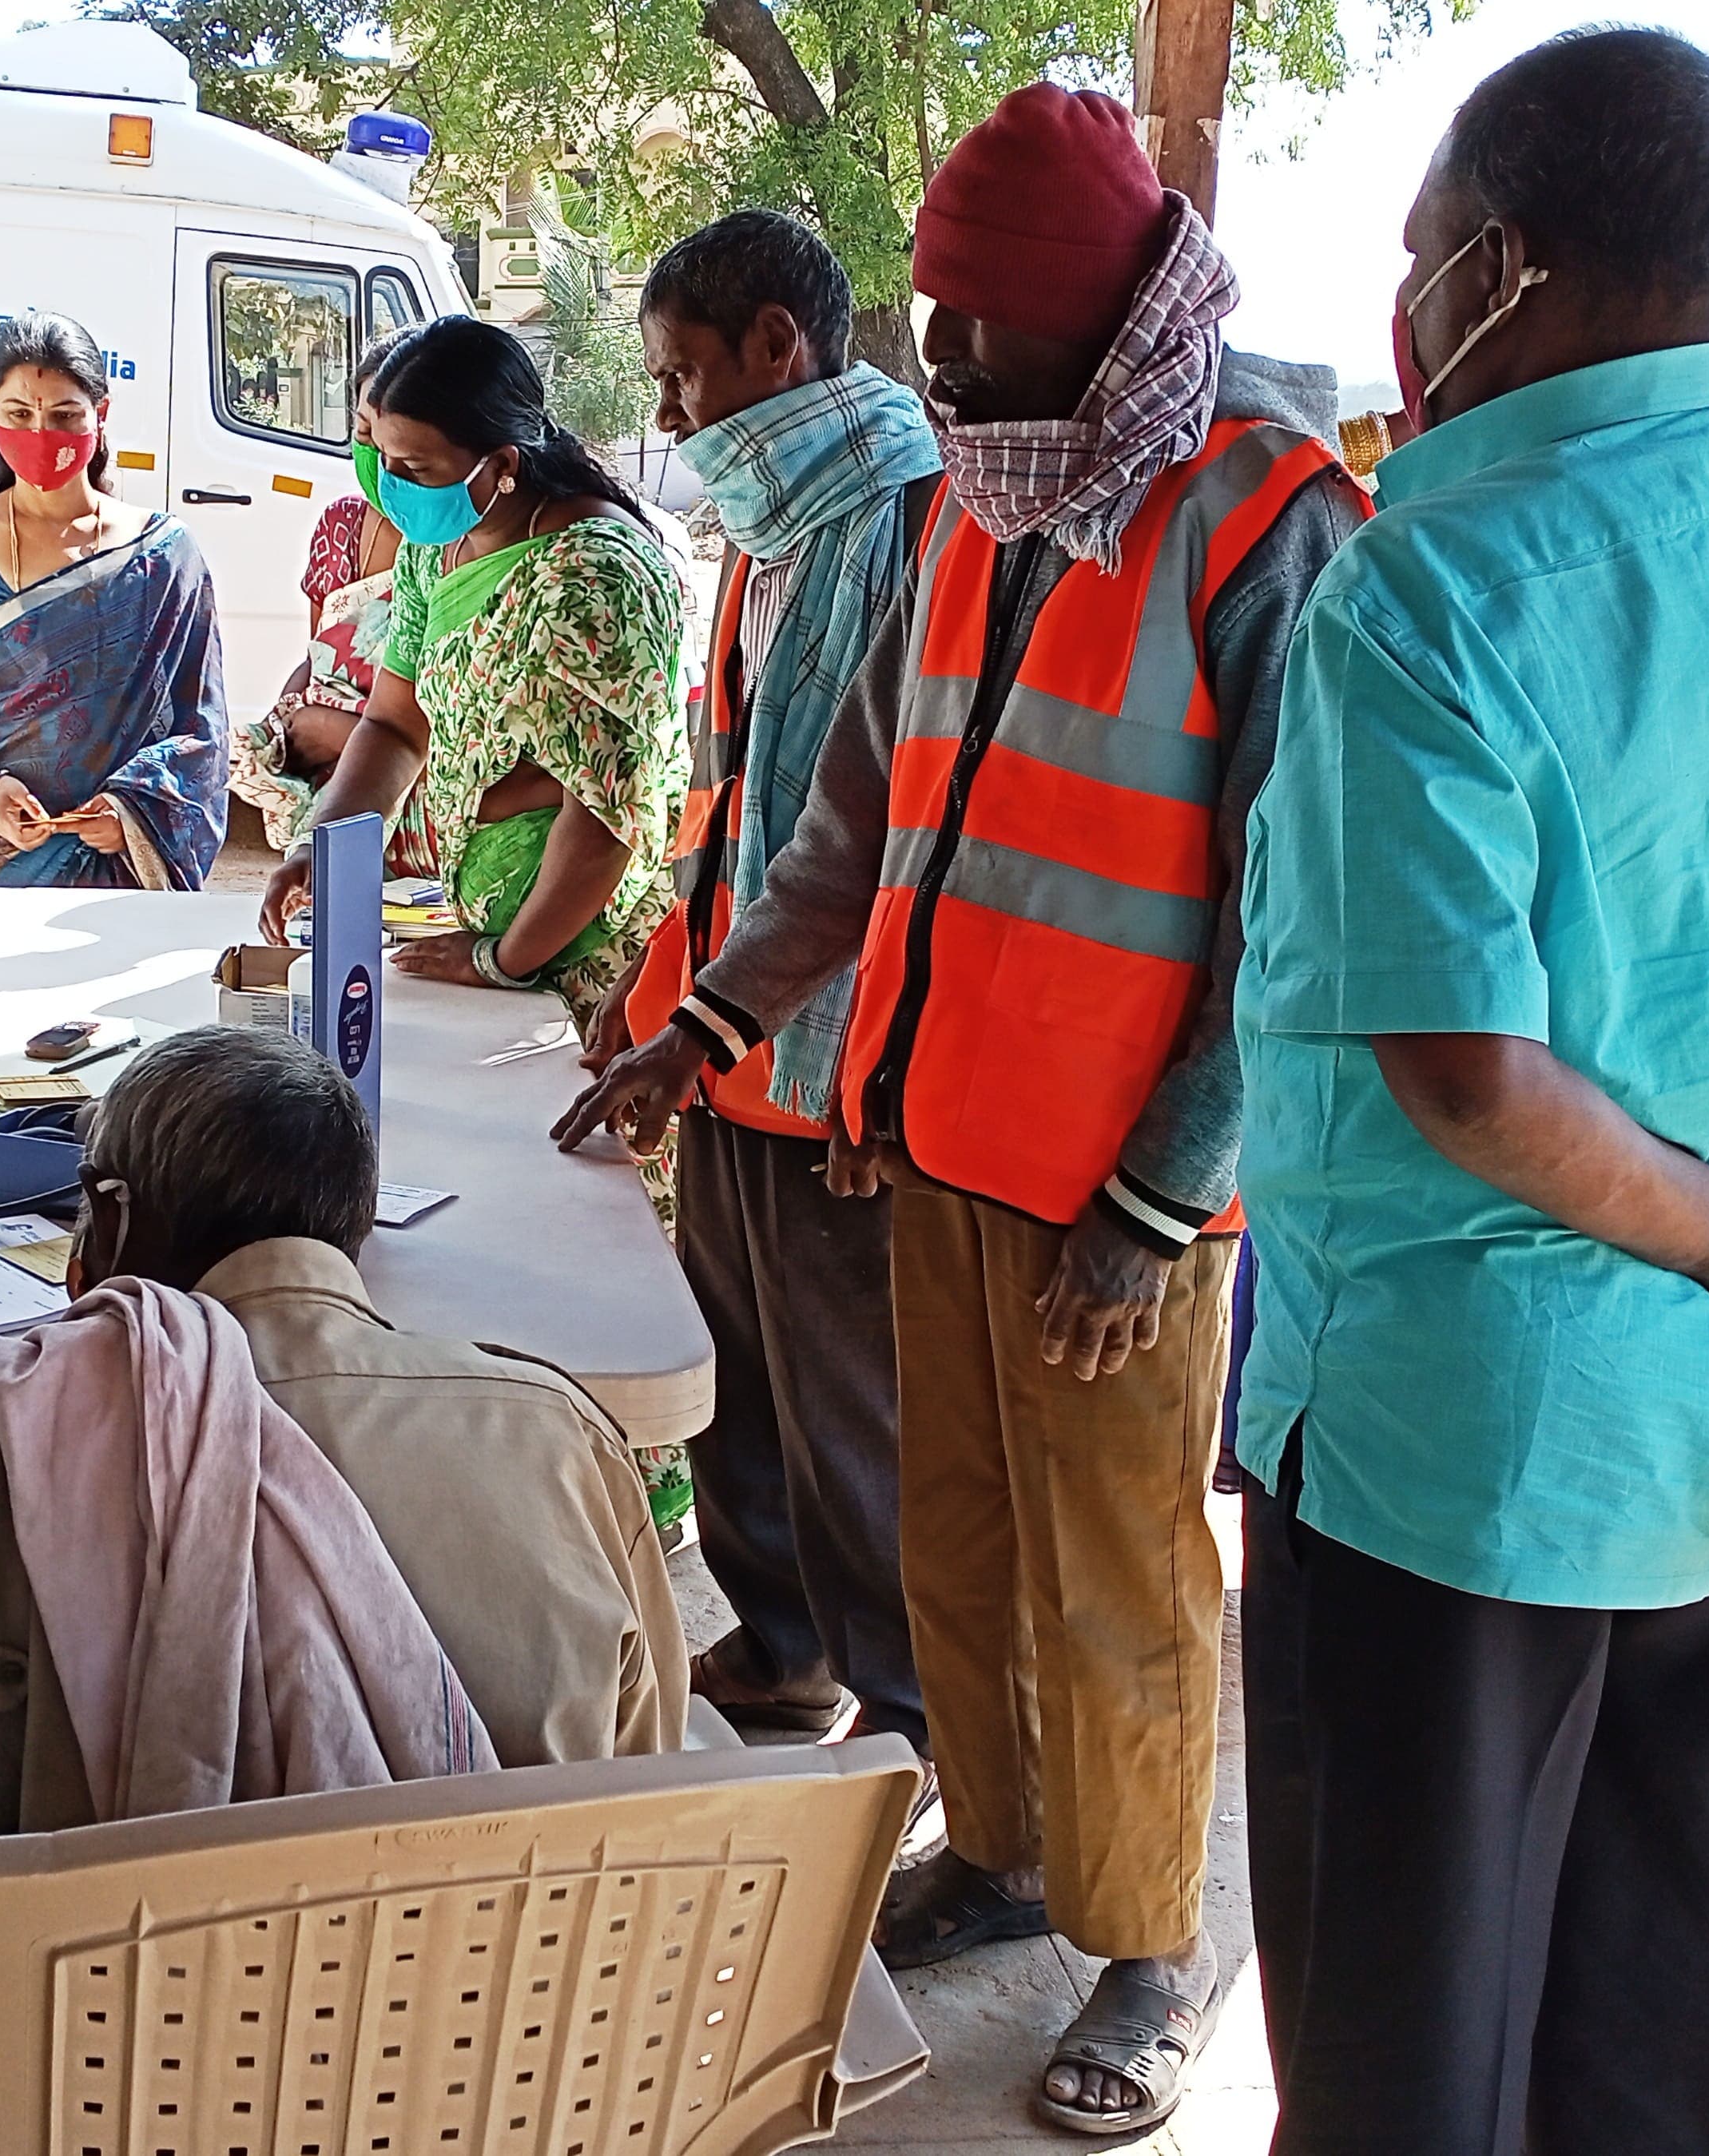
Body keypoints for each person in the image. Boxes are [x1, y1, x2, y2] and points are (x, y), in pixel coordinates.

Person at [565, 86, 1365, 2132]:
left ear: (1091, 324)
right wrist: (711, 1027)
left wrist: (1156, 1197)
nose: (930, 359)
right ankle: (1001, 1857)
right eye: (919, 316)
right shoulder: (956, 506)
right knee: (961, 1550)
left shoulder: (1269, 521)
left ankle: (1152, 1947)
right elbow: (851, 834)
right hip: (930, 1151)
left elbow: (1298, 920)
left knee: (1122, 1588)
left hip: (1118, 1205)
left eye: (964, 325)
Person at [1232, 33, 1709, 2151]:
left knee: (1401, 2070)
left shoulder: (1430, 584)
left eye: (1419, 250)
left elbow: (1464, 1067)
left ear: (1503, 268)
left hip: (1467, 1471)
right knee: (1652, 2047)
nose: (1403, 303)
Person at [0, 1023, 688, 1971]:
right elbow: (646, 1760)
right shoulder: (553, 1428)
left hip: (124, 2082)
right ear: (351, 1222)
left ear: (107, 1218)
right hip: (513, 2056)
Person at [565, 210, 940, 1759]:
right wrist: (670, 997)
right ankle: (782, 1652)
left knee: (856, 1425)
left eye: (682, 378)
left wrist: (885, 1071)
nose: (665, 418)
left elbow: (912, 841)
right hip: (730, 1035)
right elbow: (731, 811)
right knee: (741, 1392)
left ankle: (908, 1722)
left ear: (779, 349)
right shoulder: (772, 538)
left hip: (843, 1066)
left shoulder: (919, 524)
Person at [259, 317, 689, 1033]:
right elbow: (395, 726)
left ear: (499, 464)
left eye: (414, 468)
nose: (388, 486)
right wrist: (321, 844)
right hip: (492, 935)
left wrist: (505, 959)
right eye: (377, 455)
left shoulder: (587, 576)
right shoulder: (440, 550)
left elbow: (608, 815)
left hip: (586, 959)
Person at [0, 310, 229, 896]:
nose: (42, 432)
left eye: (65, 415)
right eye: (19, 414)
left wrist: (134, 811)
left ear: (102, 413)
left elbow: (203, 726)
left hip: (123, 870)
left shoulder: (164, 554)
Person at [226, 330, 440, 877]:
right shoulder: (341, 526)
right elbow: (320, 651)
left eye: (393, 438)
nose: (378, 457)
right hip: (335, 783)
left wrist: (338, 733)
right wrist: (287, 723)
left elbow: (444, 725)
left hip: (420, 805)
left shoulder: (455, 546)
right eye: (363, 433)